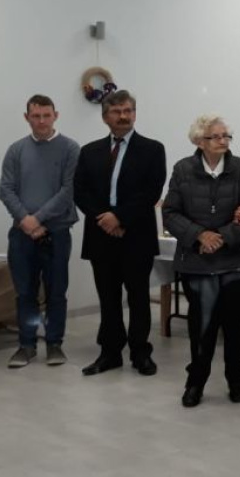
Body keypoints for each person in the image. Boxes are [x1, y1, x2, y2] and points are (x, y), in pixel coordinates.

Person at [162, 115, 240, 407]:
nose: (222, 141)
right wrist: (199, 235)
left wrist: (222, 237)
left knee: (235, 326)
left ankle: (237, 380)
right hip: (197, 263)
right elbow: (171, 213)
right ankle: (196, 382)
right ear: (199, 141)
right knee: (201, 328)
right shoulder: (183, 169)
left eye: (226, 136)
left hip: (235, 261)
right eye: (215, 136)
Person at [74, 90, 166, 377]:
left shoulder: (152, 149)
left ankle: (140, 352)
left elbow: (152, 190)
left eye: (128, 110)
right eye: (117, 111)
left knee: (138, 297)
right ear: (105, 117)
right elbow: (80, 191)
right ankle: (110, 353)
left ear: (135, 114)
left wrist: (120, 217)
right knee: (108, 298)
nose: (124, 116)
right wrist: (105, 219)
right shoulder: (89, 151)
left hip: (136, 235)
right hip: (101, 236)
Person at [0, 95, 80, 368]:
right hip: (22, 234)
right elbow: (6, 189)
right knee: (25, 293)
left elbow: (68, 191)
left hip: (56, 233)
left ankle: (54, 343)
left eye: (47, 115)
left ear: (56, 115)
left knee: (56, 292)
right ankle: (27, 344)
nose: (42, 121)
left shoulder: (70, 149)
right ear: (27, 118)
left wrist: (38, 219)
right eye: (36, 116)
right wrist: (25, 220)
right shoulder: (16, 150)